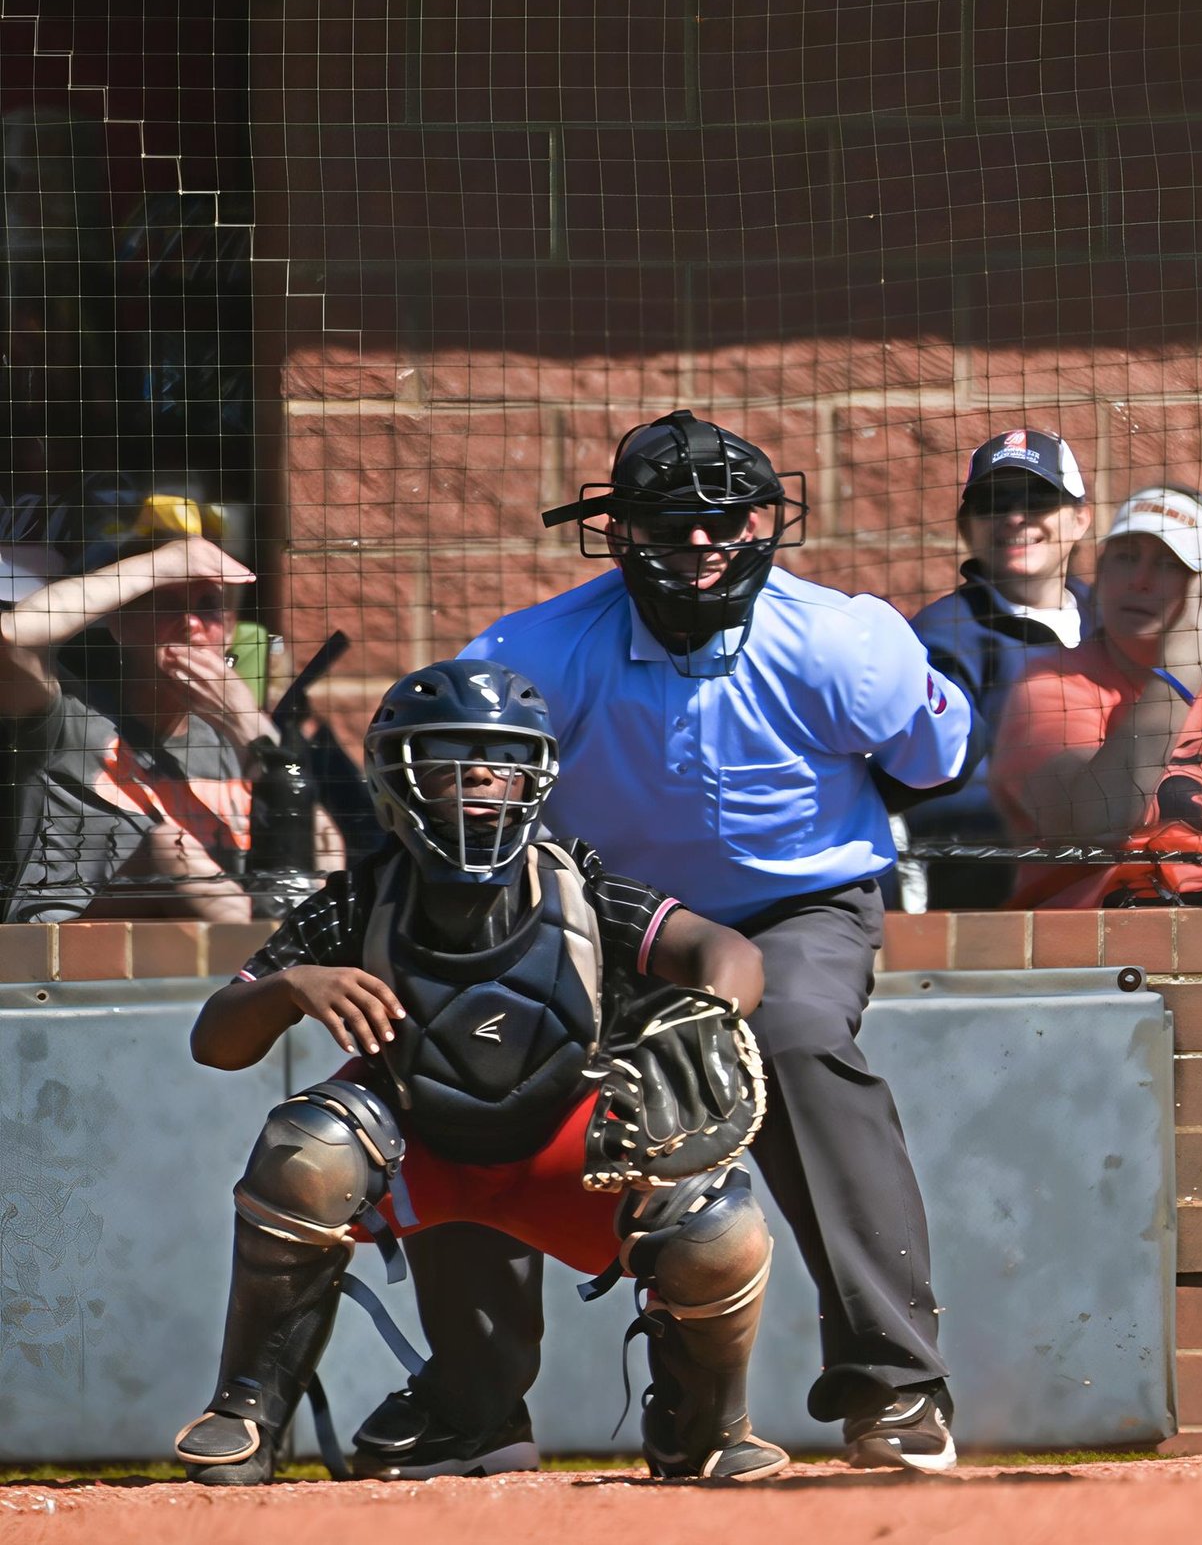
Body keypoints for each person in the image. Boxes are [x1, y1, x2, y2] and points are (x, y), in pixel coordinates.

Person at [464, 409, 972, 1470]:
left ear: (761, 523)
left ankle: (896, 1386)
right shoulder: (535, 652)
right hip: (608, 917)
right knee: (475, 1060)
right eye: (667, 524)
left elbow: (933, 762)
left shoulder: (842, 640)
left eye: (724, 521)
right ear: (618, 530)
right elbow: (473, 809)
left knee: (794, 1037)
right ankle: (475, 1405)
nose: (699, 545)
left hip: (797, 906)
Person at [173, 660, 784, 1485]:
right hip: (420, 1153)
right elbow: (216, 1041)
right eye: (450, 757)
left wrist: (712, 1010)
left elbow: (725, 949)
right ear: (398, 775)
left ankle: (705, 1428)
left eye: (504, 759)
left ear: (538, 776)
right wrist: (292, 985)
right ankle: (247, 1411)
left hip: (567, 1157)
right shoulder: (358, 899)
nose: (483, 775)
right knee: (305, 1148)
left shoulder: (579, 883)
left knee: (719, 1223)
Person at [989, 485, 1202, 909]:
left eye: (1170, 565)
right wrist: (1179, 675)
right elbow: (1095, 820)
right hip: (1096, 933)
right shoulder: (1052, 683)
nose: (1138, 581)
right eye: (1125, 557)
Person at [0, 528, 338, 922]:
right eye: (166, 604)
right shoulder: (70, 718)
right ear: (120, 625)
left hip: (205, 949)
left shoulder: (238, 742)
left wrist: (250, 727)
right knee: (173, 847)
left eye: (209, 607)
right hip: (70, 945)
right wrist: (169, 561)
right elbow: (13, 637)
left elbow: (326, 855)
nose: (191, 624)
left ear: (230, 630)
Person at [906, 427, 1094, 909]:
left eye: (1037, 500)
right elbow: (946, 792)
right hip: (997, 895)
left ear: (1080, 519)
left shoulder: (1116, 623)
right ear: (967, 527)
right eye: (993, 503)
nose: (1014, 517)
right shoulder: (941, 638)